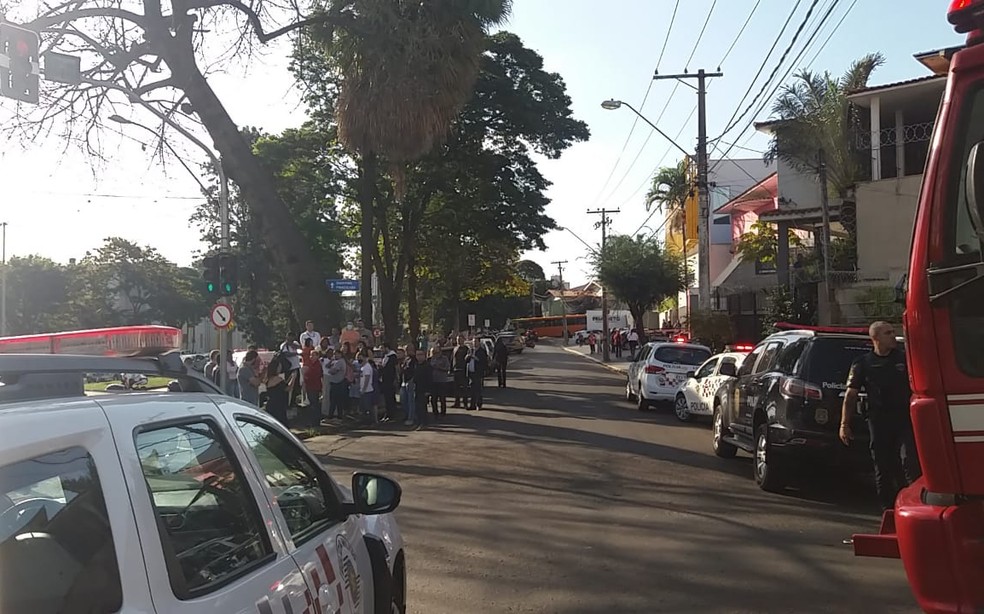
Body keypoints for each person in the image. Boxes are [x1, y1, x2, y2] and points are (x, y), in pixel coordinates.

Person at [840, 321, 922, 512]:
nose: (893, 336)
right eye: (888, 333)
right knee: (882, 465)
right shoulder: (863, 363)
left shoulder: (903, 359)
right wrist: (845, 424)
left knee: (908, 460)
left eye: (893, 332)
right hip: (878, 420)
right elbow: (851, 395)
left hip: (903, 418)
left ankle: (913, 505)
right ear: (875, 338)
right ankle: (888, 509)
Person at [428, 347, 451, 418]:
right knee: (433, 399)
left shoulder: (444, 358)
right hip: (433, 381)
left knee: (442, 398)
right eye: (434, 353)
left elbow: (447, 368)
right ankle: (435, 413)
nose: (435, 354)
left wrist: (439, 367)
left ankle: (443, 413)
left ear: (440, 352)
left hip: (442, 381)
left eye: (437, 352)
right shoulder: (430, 359)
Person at [452, 335, 471, 409]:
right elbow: (452, 359)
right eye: (457, 339)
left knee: (464, 389)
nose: (458, 341)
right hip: (456, 370)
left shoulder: (466, 349)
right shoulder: (455, 348)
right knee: (456, 388)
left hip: (463, 371)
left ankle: (465, 403)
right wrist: (451, 368)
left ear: (463, 340)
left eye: (460, 339)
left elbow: (468, 359)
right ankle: (457, 403)